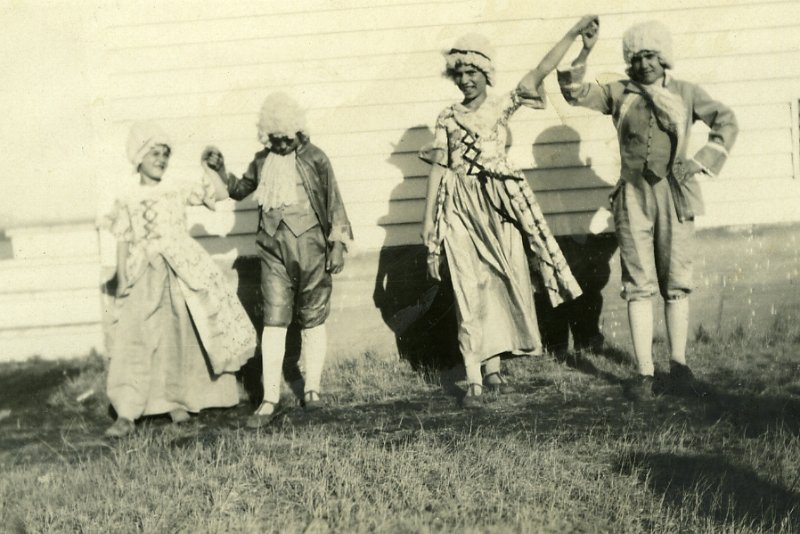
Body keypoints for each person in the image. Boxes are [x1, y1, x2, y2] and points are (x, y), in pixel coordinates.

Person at [419, 18, 596, 408]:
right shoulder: (447, 118)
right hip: (460, 208)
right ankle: (473, 378)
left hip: (499, 207)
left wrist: (572, 35)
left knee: (498, 281)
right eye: (460, 73)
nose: (466, 80)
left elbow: (540, 70)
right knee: (467, 286)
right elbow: (439, 169)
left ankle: (493, 366)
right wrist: (428, 225)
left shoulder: (501, 106)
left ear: (486, 74)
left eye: (473, 73)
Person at [557, 20, 738, 399]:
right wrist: (585, 49)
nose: (644, 64)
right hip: (633, 198)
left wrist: (700, 161)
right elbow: (572, 92)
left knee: (676, 280)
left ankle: (679, 364)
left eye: (651, 56)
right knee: (638, 284)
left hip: (676, 194)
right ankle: (643, 372)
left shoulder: (687, 92)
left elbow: (726, 121)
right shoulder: (620, 93)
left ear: (664, 56)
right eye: (636, 57)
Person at [204, 92, 352, 428]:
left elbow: (334, 202)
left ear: (298, 132)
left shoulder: (315, 158)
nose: (281, 146)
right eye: (274, 140)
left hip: (312, 246)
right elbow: (240, 189)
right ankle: (270, 396)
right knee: (274, 319)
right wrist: (221, 171)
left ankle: (312, 388)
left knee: (313, 316)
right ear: (266, 136)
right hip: (273, 250)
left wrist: (338, 244)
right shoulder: (262, 160)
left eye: (287, 139)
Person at [101, 122, 257, 438]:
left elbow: (214, 191)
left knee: (180, 335)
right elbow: (121, 236)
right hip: (144, 270)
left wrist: (210, 166)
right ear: (139, 157)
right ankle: (128, 411)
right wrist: (121, 276)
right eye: (154, 153)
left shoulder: (174, 189)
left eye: (165, 154)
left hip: (180, 267)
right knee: (139, 337)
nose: (161, 159)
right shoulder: (128, 196)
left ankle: (177, 400)